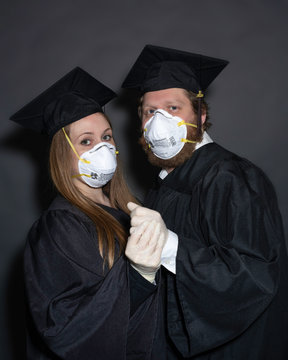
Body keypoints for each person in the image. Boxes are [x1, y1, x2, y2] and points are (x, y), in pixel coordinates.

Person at [122, 45, 288, 359]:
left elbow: (254, 276)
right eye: (149, 111)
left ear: (200, 114)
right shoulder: (163, 188)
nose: (159, 121)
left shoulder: (231, 178)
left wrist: (168, 245)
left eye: (173, 108)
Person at [10, 67, 163, 360]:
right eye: (86, 141)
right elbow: (67, 328)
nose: (102, 148)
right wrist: (139, 275)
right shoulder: (59, 227)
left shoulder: (132, 209)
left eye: (107, 137)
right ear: (61, 154)